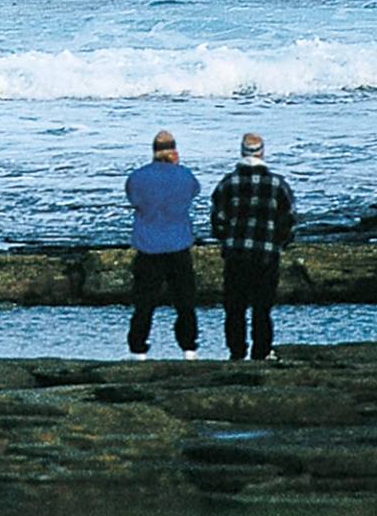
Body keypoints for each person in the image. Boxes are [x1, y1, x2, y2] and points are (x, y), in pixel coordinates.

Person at [210, 132, 298, 362]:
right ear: (262, 152)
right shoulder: (278, 184)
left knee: (235, 308)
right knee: (262, 308)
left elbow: (218, 221)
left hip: (236, 254)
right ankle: (261, 353)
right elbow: (288, 220)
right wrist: (279, 243)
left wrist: (227, 238)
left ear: (241, 152)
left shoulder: (227, 183)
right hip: (266, 254)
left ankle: (237, 352)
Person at [123, 129, 200, 360]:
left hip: (148, 246)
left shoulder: (138, 177)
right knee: (185, 300)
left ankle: (138, 349)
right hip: (178, 244)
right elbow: (193, 193)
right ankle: (189, 347)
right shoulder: (185, 176)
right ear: (174, 151)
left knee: (144, 302)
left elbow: (134, 199)